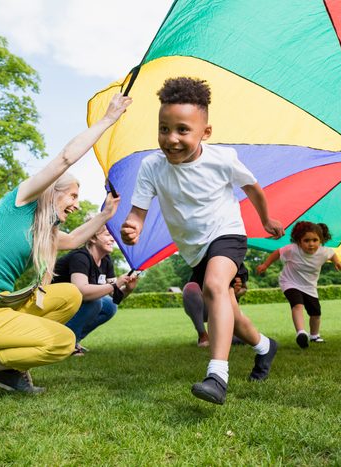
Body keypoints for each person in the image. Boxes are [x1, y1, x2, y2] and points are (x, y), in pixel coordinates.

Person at [0, 93, 133, 402]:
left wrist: (106, 214)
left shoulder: (42, 231)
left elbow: (75, 239)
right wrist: (107, 120)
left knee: (68, 294)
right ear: (53, 191)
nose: (77, 206)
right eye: (73, 197)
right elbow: (65, 158)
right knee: (62, 342)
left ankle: (7, 372)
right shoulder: (20, 202)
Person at [120, 77, 284, 405]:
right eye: (164, 129)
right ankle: (265, 347)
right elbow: (137, 212)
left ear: (204, 133)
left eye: (183, 130)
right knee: (230, 313)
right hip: (194, 249)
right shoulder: (152, 166)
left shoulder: (221, 159)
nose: (172, 138)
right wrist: (132, 225)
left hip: (226, 233)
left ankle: (217, 375)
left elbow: (253, 188)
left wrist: (266, 219)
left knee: (214, 287)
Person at [256, 221, 341, 349]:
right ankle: (301, 333)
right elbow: (277, 252)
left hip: (309, 287)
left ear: (321, 240)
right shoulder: (292, 249)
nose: (311, 244)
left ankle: (314, 336)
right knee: (297, 304)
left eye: (315, 240)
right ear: (299, 241)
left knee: (315, 313)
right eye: (306, 240)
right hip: (289, 282)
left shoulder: (324, 252)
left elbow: (332, 254)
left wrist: (338, 263)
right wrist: (265, 265)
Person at [53, 224, 138, 356]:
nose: (113, 239)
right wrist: (116, 284)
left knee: (110, 306)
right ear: (93, 238)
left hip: (72, 303)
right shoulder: (80, 257)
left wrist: (128, 288)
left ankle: (74, 340)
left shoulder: (106, 260)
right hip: (52, 303)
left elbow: (113, 295)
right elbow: (81, 291)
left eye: (113, 236)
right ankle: (63, 343)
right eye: (108, 235)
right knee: (95, 302)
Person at [183, 271, 248, 348]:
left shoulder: (238, 265)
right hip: (206, 306)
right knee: (190, 287)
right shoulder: (200, 264)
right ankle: (203, 336)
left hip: (227, 307)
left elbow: (244, 288)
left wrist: (236, 291)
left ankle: (223, 335)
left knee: (243, 338)